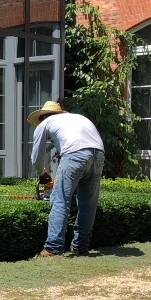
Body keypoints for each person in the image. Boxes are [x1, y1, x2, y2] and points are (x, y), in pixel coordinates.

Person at [28, 101, 105, 257]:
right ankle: (80, 247)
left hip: (75, 153)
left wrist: (42, 174)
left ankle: (53, 248)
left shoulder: (44, 124)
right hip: (99, 154)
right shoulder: (77, 118)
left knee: (60, 200)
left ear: (43, 116)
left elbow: (36, 157)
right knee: (88, 204)